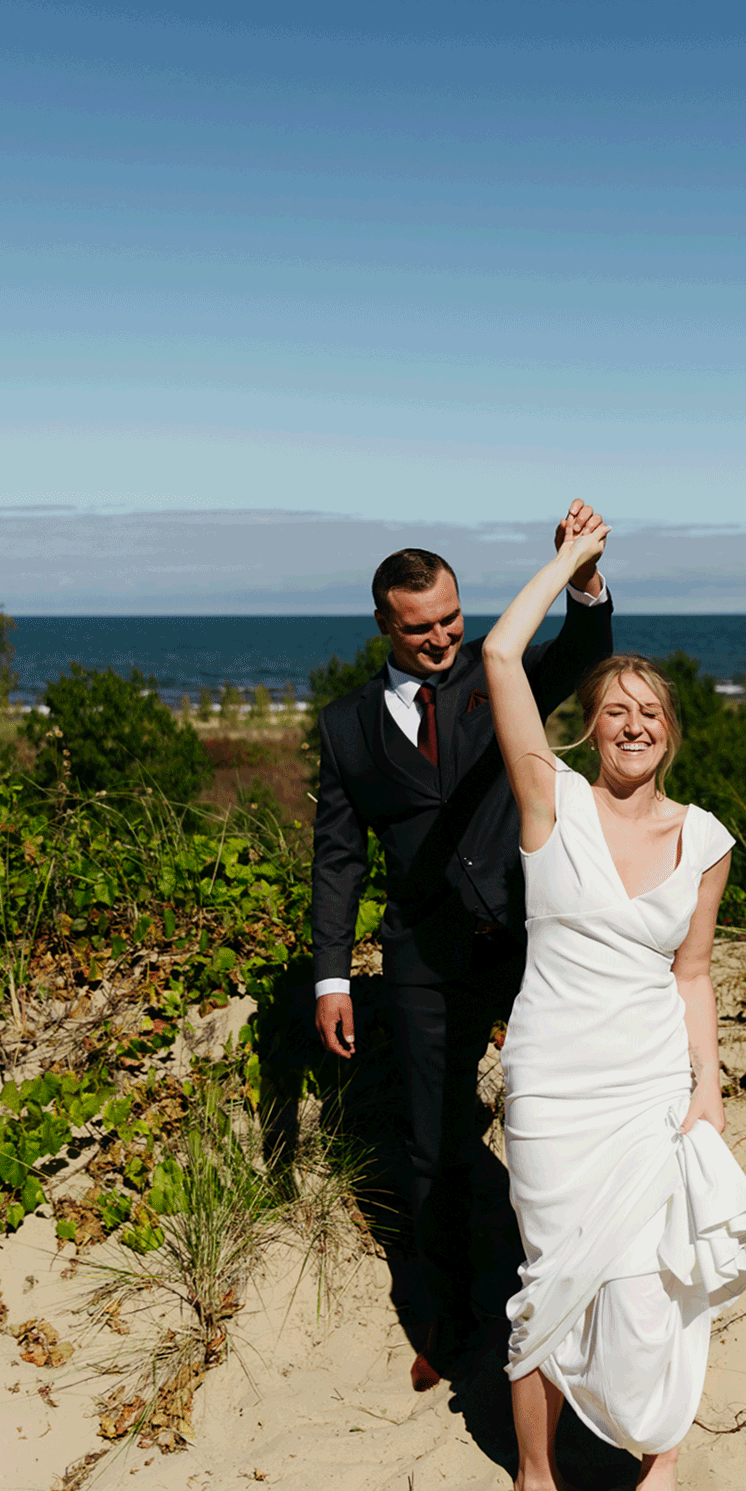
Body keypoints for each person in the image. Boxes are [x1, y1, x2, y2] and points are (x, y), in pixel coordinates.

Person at [482, 520, 746, 1491]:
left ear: (669, 730)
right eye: (614, 709)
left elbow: (693, 974)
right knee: (550, 1273)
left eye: (649, 711)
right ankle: (538, 1471)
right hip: (551, 1083)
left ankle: (659, 1467)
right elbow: (499, 654)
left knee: (652, 1281)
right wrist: (574, 571)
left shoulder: (706, 839)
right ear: (588, 729)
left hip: (648, 1086)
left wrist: (709, 1095)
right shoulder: (545, 802)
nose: (633, 722)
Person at [311, 503, 614, 1388]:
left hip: (534, 944)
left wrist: (582, 577)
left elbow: (582, 653)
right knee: (432, 1146)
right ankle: (448, 1323)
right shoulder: (343, 726)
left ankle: (572, 1295)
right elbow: (337, 858)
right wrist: (332, 976)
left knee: (555, 1126)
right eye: (420, 627)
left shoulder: (499, 675)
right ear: (384, 626)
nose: (441, 637)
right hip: (422, 958)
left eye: (451, 618)